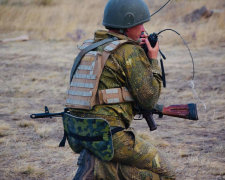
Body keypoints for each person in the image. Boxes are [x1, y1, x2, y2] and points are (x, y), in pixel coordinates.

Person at [65, 0, 176, 179]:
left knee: (113, 162)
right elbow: (149, 98)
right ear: (127, 25)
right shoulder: (129, 52)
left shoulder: (90, 47)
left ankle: (100, 166)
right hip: (110, 136)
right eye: (140, 23)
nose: (143, 30)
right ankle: (100, 170)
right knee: (166, 173)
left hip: (78, 132)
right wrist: (153, 60)